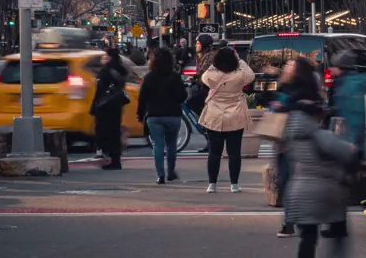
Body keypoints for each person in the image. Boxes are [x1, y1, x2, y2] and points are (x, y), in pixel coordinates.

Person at [285, 82, 360, 258]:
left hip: (298, 191)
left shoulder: (292, 135)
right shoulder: (320, 135)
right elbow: (347, 153)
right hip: (326, 191)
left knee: (308, 238)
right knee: (339, 230)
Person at [271, 57, 322, 238]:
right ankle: (292, 220)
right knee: (286, 182)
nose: (286, 67)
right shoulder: (285, 87)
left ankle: (294, 221)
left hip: (298, 143)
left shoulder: (305, 90)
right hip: (282, 141)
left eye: (291, 65)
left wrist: (284, 107)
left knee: (294, 182)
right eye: (286, 64)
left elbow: (310, 111)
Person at [199, 46, 255, 193]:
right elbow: (251, 75)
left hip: (215, 114)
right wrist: (240, 60)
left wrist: (214, 63)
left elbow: (204, 77)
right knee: (234, 152)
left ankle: (212, 184)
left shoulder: (211, 75)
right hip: (235, 114)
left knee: (214, 151)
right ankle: (234, 184)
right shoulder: (240, 75)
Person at [138, 47, 188, 184]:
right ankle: (171, 172)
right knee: (172, 145)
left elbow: (142, 98)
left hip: (154, 115)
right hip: (173, 115)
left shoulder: (148, 78)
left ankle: (160, 175)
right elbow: (183, 96)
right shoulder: (175, 77)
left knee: (158, 145)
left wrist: (140, 114)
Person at [90, 48, 129, 170]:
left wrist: (94, 106)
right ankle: (115, 158)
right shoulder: (120, 69)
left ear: (110, 57)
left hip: (106, 105)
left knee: (106, 131)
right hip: (116, 103)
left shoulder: (107, 70)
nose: (103, 58)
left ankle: (113, 159)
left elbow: (100, 89)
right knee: (114, 131)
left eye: (105, 56)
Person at [329, 49, 366, 155]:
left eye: (333, 66)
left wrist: (353, 141)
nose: (330, 69)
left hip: (350, 143)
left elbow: (355, 114)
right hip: (345, 140)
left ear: (341, 67)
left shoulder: (350, 85)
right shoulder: (343, 83)